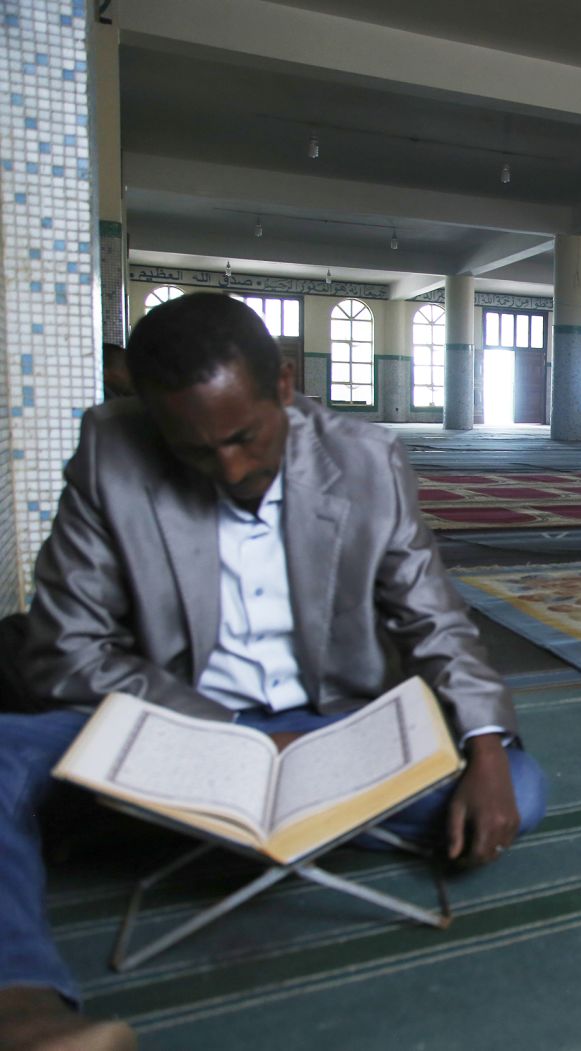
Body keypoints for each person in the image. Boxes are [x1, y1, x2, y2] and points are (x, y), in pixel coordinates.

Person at [0, 293, 547, 1051]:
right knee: (4, 753)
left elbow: (435, 622)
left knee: (518, 786)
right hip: (177, 721)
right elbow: (62, 649)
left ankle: (193, 825)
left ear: (284, 385)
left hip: (330, 726)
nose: (230, 469)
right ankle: (22, 1001)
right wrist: (226, 734)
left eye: (244, 436)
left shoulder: (364, 459)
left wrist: (486, 744)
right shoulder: (110, 452)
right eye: (195, 450)